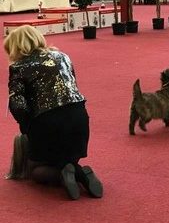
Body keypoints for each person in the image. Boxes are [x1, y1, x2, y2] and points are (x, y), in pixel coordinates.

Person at [4, 26, 103, 200]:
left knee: (36, 169)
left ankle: (63, 175)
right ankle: (79, 172)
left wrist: (27, 128)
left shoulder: (18, 67)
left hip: (48, 122)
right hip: (79, 119)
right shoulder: (62, 56)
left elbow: (18, 105)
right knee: (67, 158)